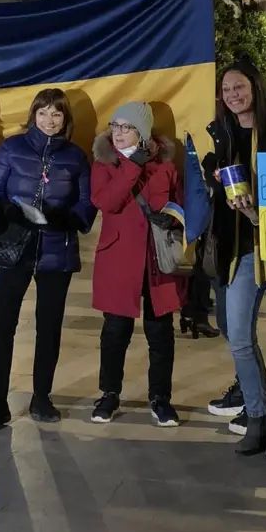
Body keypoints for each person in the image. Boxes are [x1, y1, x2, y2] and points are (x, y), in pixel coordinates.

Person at [0, 88, 95, 436]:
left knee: (49, 327)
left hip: (57, 252)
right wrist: (12, 213)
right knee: (2, 328)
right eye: (43, 113)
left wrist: (64, 219)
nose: (49, 120)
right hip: (13, 251)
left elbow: (87, 204)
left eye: (56, 114)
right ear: (33, 115)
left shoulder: (75, 157)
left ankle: (42, 397)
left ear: (65, 119)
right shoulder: (11, 149)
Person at [90, 101, 185, 427]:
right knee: (115, 330)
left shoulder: (166, 165)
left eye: (126, 127)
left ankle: (161, 398)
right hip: (119, 259)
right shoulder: (104, 163)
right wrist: (132, 167)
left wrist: (173, 218)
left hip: (157, 260)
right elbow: (106, 202)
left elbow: (180, 204)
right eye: (115, 126)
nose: (118, 133)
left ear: (142, 131)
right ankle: (109, 393)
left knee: (160, 334)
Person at [205, 59, 266, 455]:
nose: (234, 95)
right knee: (238, 335)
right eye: (227, 89)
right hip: (242, 247)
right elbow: (213, 174)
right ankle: (257, 414)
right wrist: (214, 176)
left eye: (240, 87)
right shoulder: (224, 132)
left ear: (256, 86)